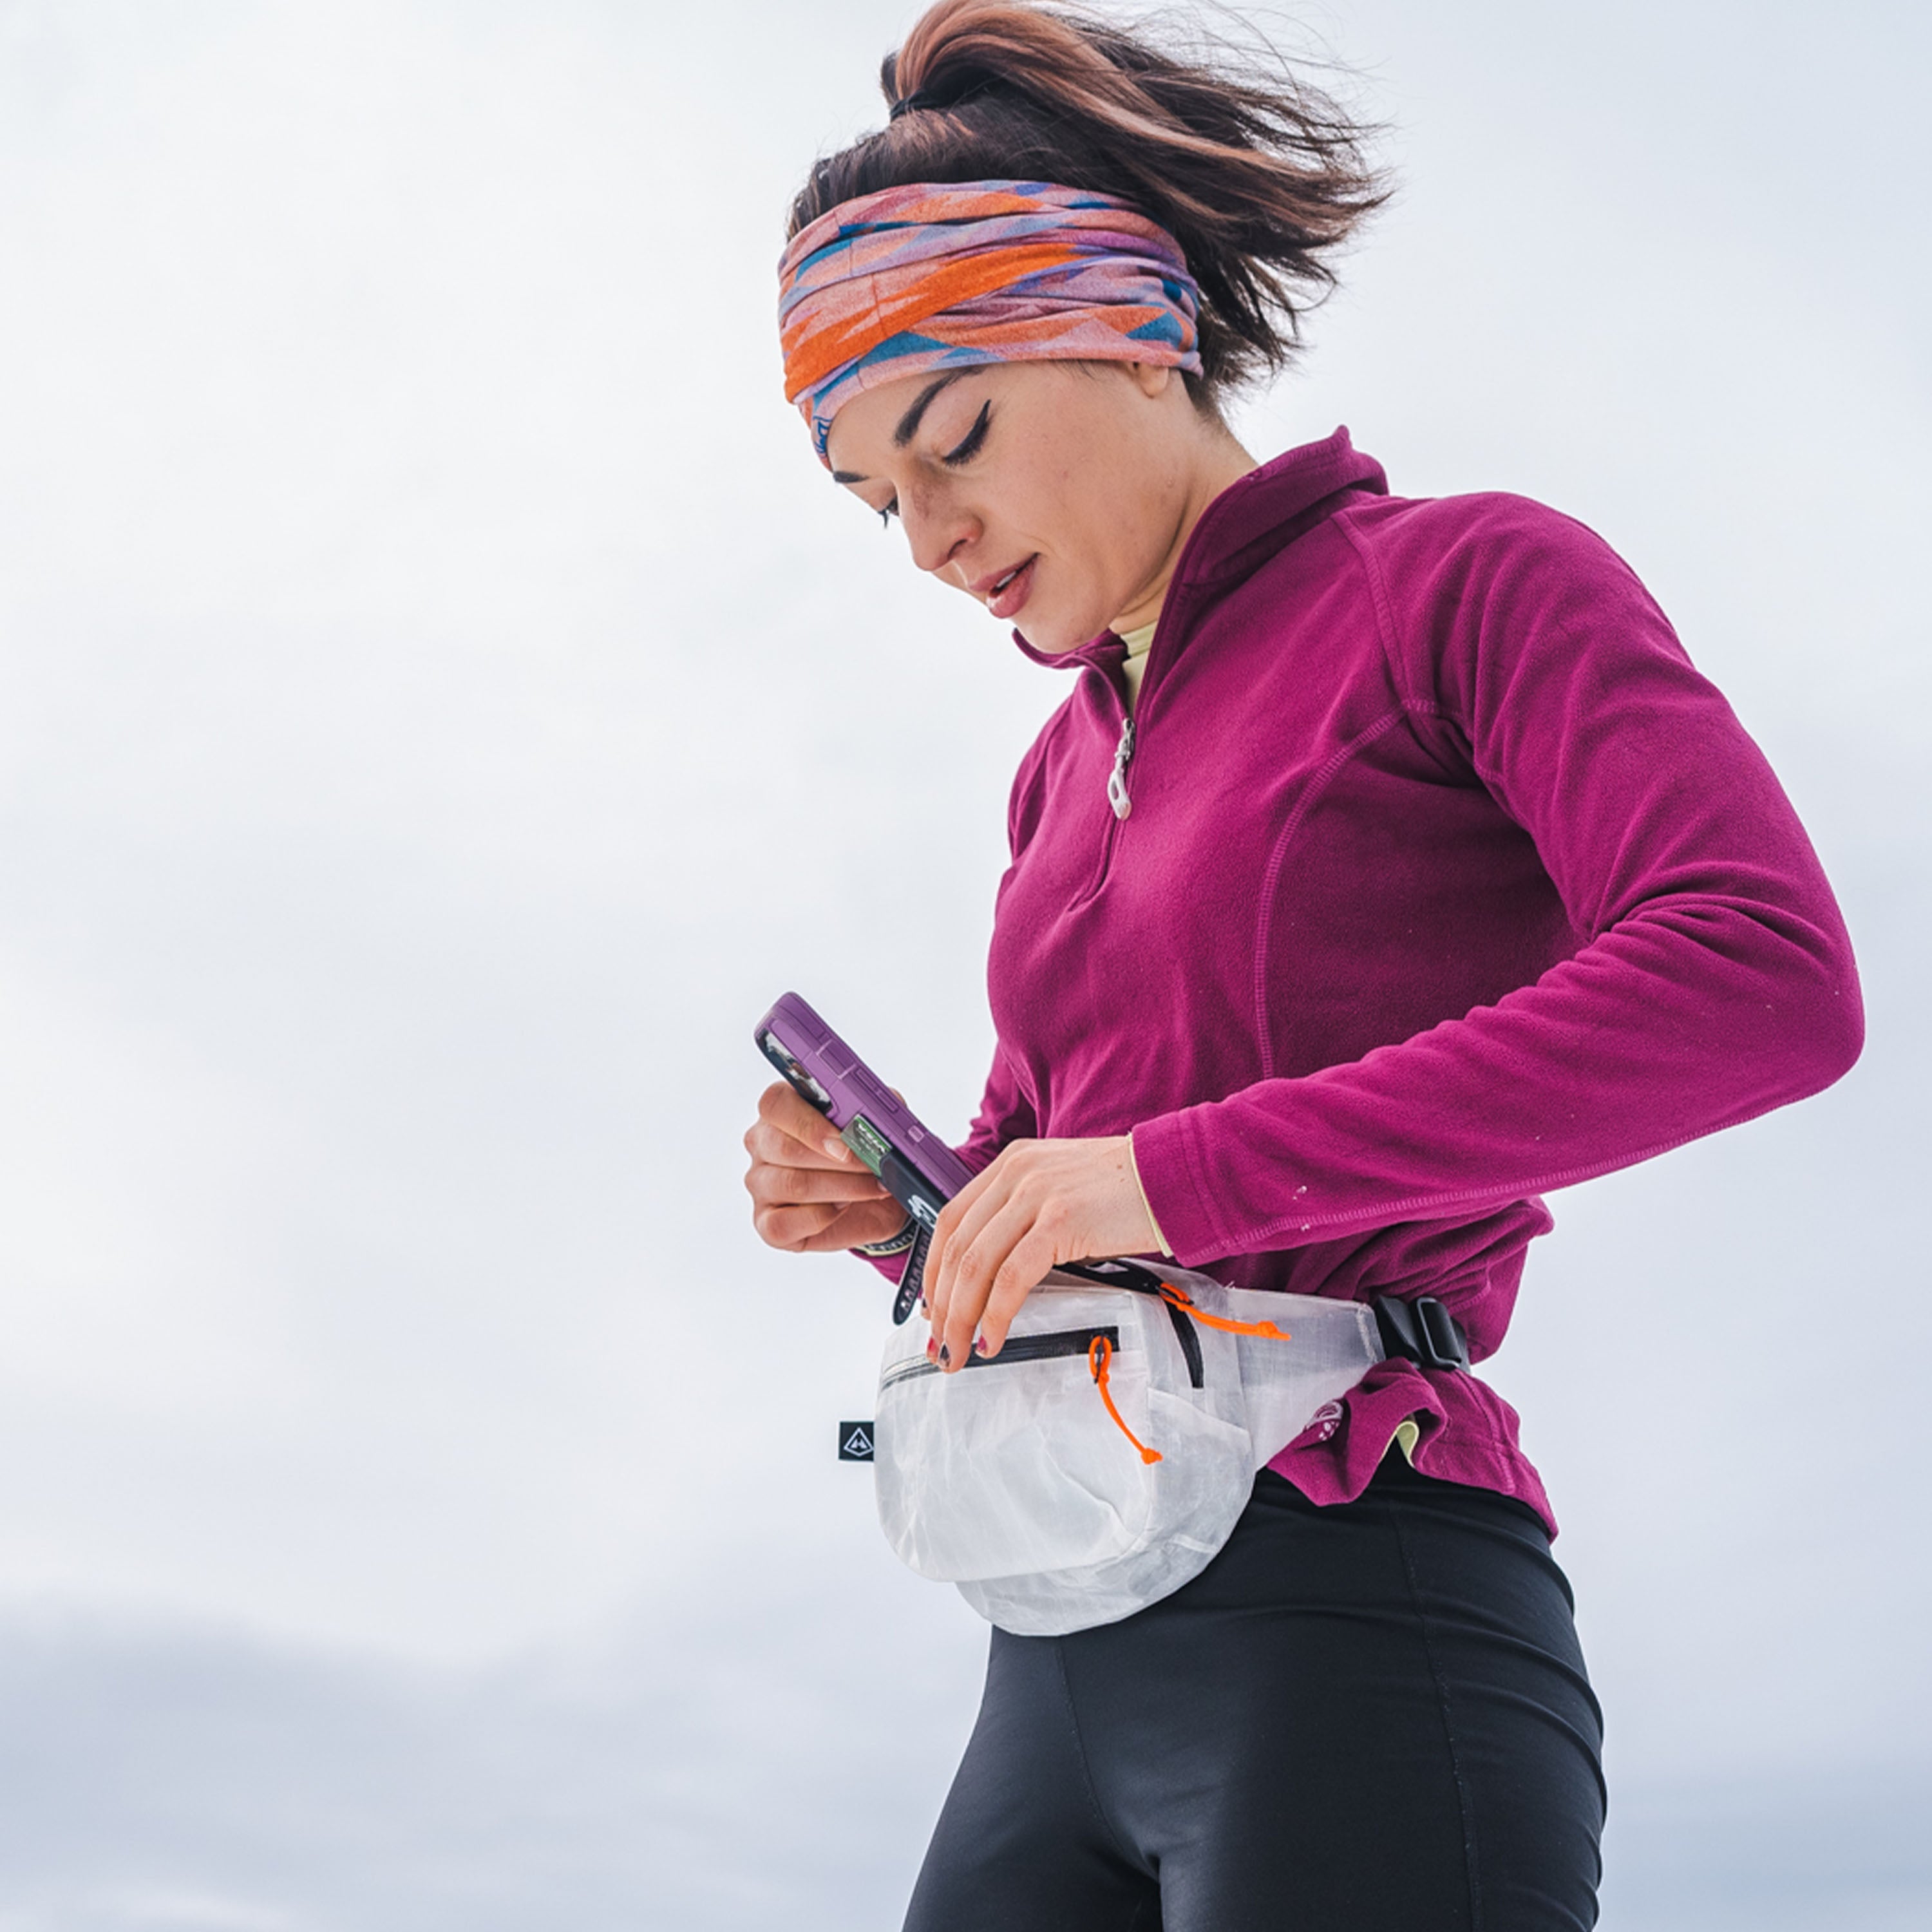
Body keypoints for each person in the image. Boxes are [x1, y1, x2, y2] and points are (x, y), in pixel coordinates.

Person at [741, 4, 1863, 1926]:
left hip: (1369, 1593)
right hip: (1062, 1626)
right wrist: (899, 1207)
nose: (926, 538)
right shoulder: (1055, 772)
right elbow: (1053, 1169)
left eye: (953, 442)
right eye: (873, 500)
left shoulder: (1469, 586)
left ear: (1139, 323)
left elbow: (1766, 974)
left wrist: (1166, 1179)